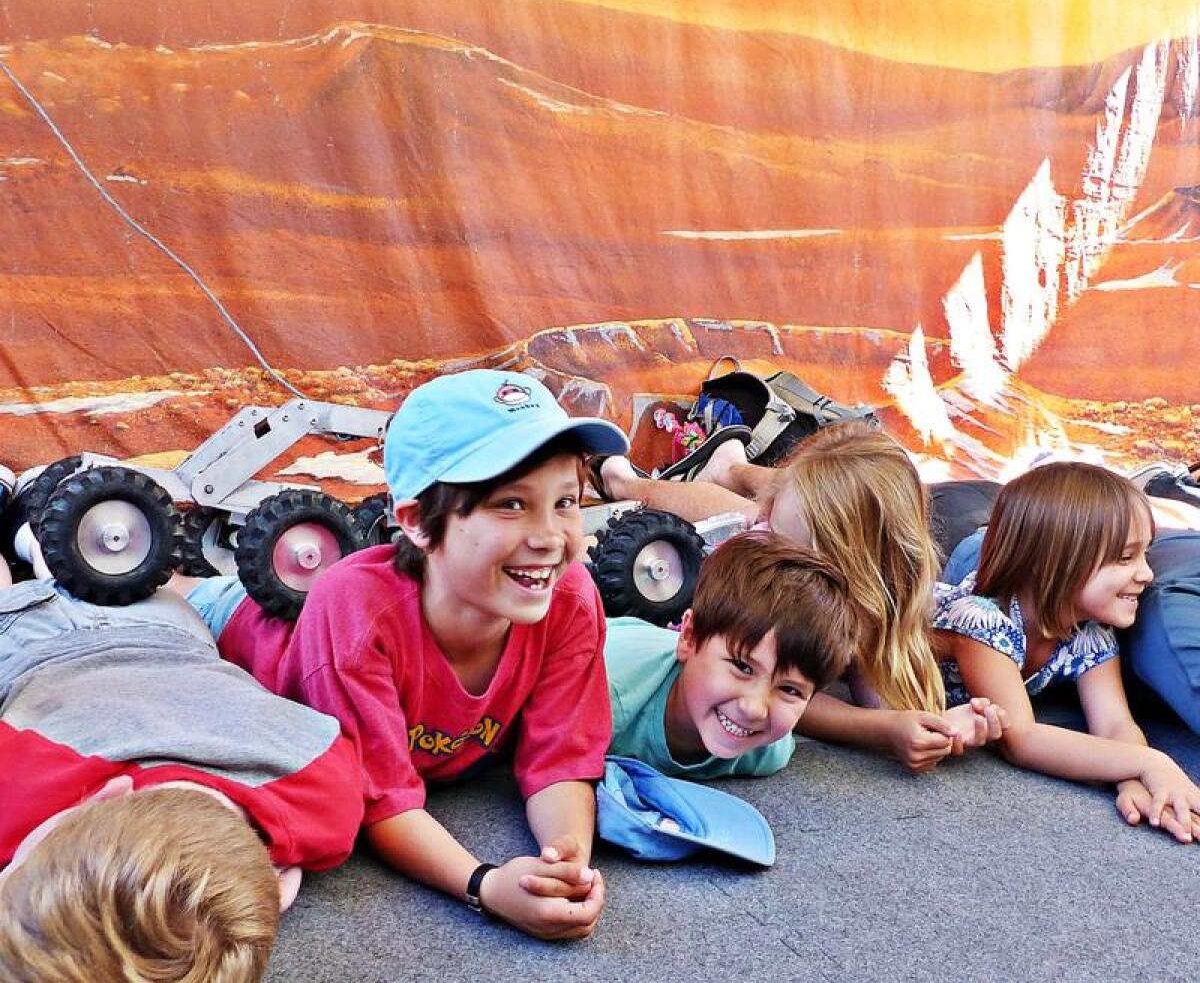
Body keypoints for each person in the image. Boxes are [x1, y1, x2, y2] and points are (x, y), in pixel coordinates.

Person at [184, 370, 628, 941]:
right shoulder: (357, 612)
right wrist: (485, 885)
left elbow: (561, 759)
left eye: (565, 502)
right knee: (173, 602)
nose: (549, 536)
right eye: (511, 505)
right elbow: (381, 799)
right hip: (251, 630)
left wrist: (565, 863)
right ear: (416, 521)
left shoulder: (568, 599)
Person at [0, 544, 363, 982]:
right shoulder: (20, 794)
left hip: (168, 624)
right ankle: (33, 536)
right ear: (104, 795)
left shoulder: (323, 796)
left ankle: (38, 536)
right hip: (31, 638)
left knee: (82, 558)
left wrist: (258, 880)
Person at [597, 420, 1004, 771]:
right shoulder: (765, 538)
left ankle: (733, 467)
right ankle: (633, 482)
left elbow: (883, 702)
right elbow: (763, 684)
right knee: (737, 517)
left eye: (783, 535)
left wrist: (945, 727)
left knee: (750, 514)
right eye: (775, 524)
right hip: (737, 553)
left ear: (857, 569)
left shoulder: (878, 600)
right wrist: (882, 731)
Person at [932, 462, 1200, 843]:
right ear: (1053, 564)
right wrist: (1151, 761)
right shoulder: (981, 621)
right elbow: (1019, 738)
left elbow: (1114, 724)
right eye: (1125, 558)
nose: (1147, 574)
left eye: (1145, 555)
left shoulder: (1088, 633)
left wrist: (1130, 780)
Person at [606, 531, 858, 777]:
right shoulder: (604, 701)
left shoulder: (767, 753)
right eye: (742, 667)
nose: (754, 709)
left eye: (790, 690)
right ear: (689, 637)